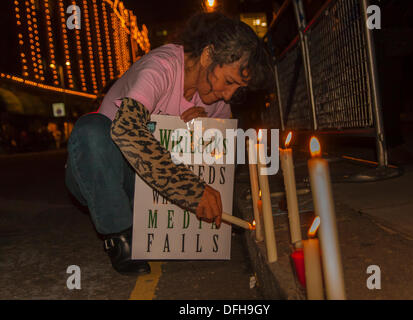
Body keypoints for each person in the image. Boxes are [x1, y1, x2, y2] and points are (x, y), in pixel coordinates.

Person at [65, 12, 272, 276]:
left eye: (237, 88)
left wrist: (202, 134)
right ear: (208, 56)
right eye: (229, 81)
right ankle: (119, 236)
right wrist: (192, 191)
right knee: (91, 129)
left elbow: (219, 168)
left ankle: (153, 228)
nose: (229, 94)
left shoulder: (218, 101)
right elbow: (127, 130)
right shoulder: (161, 67)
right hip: (104, 175)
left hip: (150, 195)